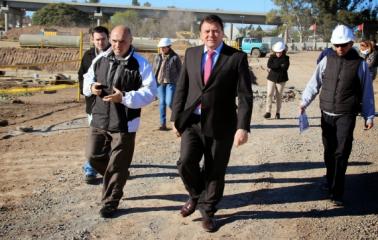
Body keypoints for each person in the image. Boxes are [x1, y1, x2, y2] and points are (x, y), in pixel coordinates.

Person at [171, 15, 253, 232]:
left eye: (215, 30)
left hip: (222, 124)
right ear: (200, 34)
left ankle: (208, 212)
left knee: (215, 170)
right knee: (185, 162)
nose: (211, 35)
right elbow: (182, 88)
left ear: (222, 32)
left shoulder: (236, 57)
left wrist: (242, 127)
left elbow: (245, 96)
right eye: (207, 31)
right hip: (193, 121)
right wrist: (175, 119)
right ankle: (197, 196)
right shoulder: (191, 54)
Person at [83, 25, 157, 218]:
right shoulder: (100, 59)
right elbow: (86, 80)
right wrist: (92, 87)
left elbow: (150, 93)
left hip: (124, 123)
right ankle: (120, 175)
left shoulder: (140, 63)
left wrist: (124, 97)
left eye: (122, 41)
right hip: (99, 118)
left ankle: (110, 202)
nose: (117, 45)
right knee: (92, 155)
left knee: (117, 165)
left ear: (130, 41)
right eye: (114, 41)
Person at [299, 25, 375, 206]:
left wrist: (369, 115)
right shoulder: (326, 60)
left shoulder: (360, 64)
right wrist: (304, 102)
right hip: (326, 113)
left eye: (344, 45)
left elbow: (367, 91)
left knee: (341, 152)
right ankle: (329, 178)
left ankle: (337, 191)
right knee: (329, 150)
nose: (340, 48)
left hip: (346, 114)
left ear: (351, 43)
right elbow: (314, 83)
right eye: (337, 45)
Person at [78, 26, 111, 184]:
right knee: (95, 138)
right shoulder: (88, 56)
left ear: (108, 38)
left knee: (109, 138)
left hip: (111, 105)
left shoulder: (115, 54)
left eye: (103, 39)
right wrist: (87, 92)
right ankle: (91, 168)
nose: (100, 42)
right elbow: (81, 76)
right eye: (97, 39)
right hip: (93, 104)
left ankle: (108, 165)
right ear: (92, 39)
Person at [152, 38, 182, 130]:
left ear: (169, 47)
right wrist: (152, 82)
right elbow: (154, 70)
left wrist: (180, 84)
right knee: (162, 103)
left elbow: (180, 71)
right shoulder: (158, 57)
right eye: (161, 47)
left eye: (164, 47)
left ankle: (178, 119)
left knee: (169, 102)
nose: (162, 49)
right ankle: (163, 124)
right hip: (160, 82)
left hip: (171, 83)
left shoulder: (175, 57)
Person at [264, 41, 290, 119]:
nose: (278, 53)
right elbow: (269, 65)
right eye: (277, 52)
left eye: (280, 52)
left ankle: (277, 113)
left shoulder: (286, 58)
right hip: (271, 78)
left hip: (281, 80)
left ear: (283, 51)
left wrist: (275, 66)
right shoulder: (272, 57)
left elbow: (285, 68)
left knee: (279, 96)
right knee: (269, 94)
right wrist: (279, 65)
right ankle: (268, 112)